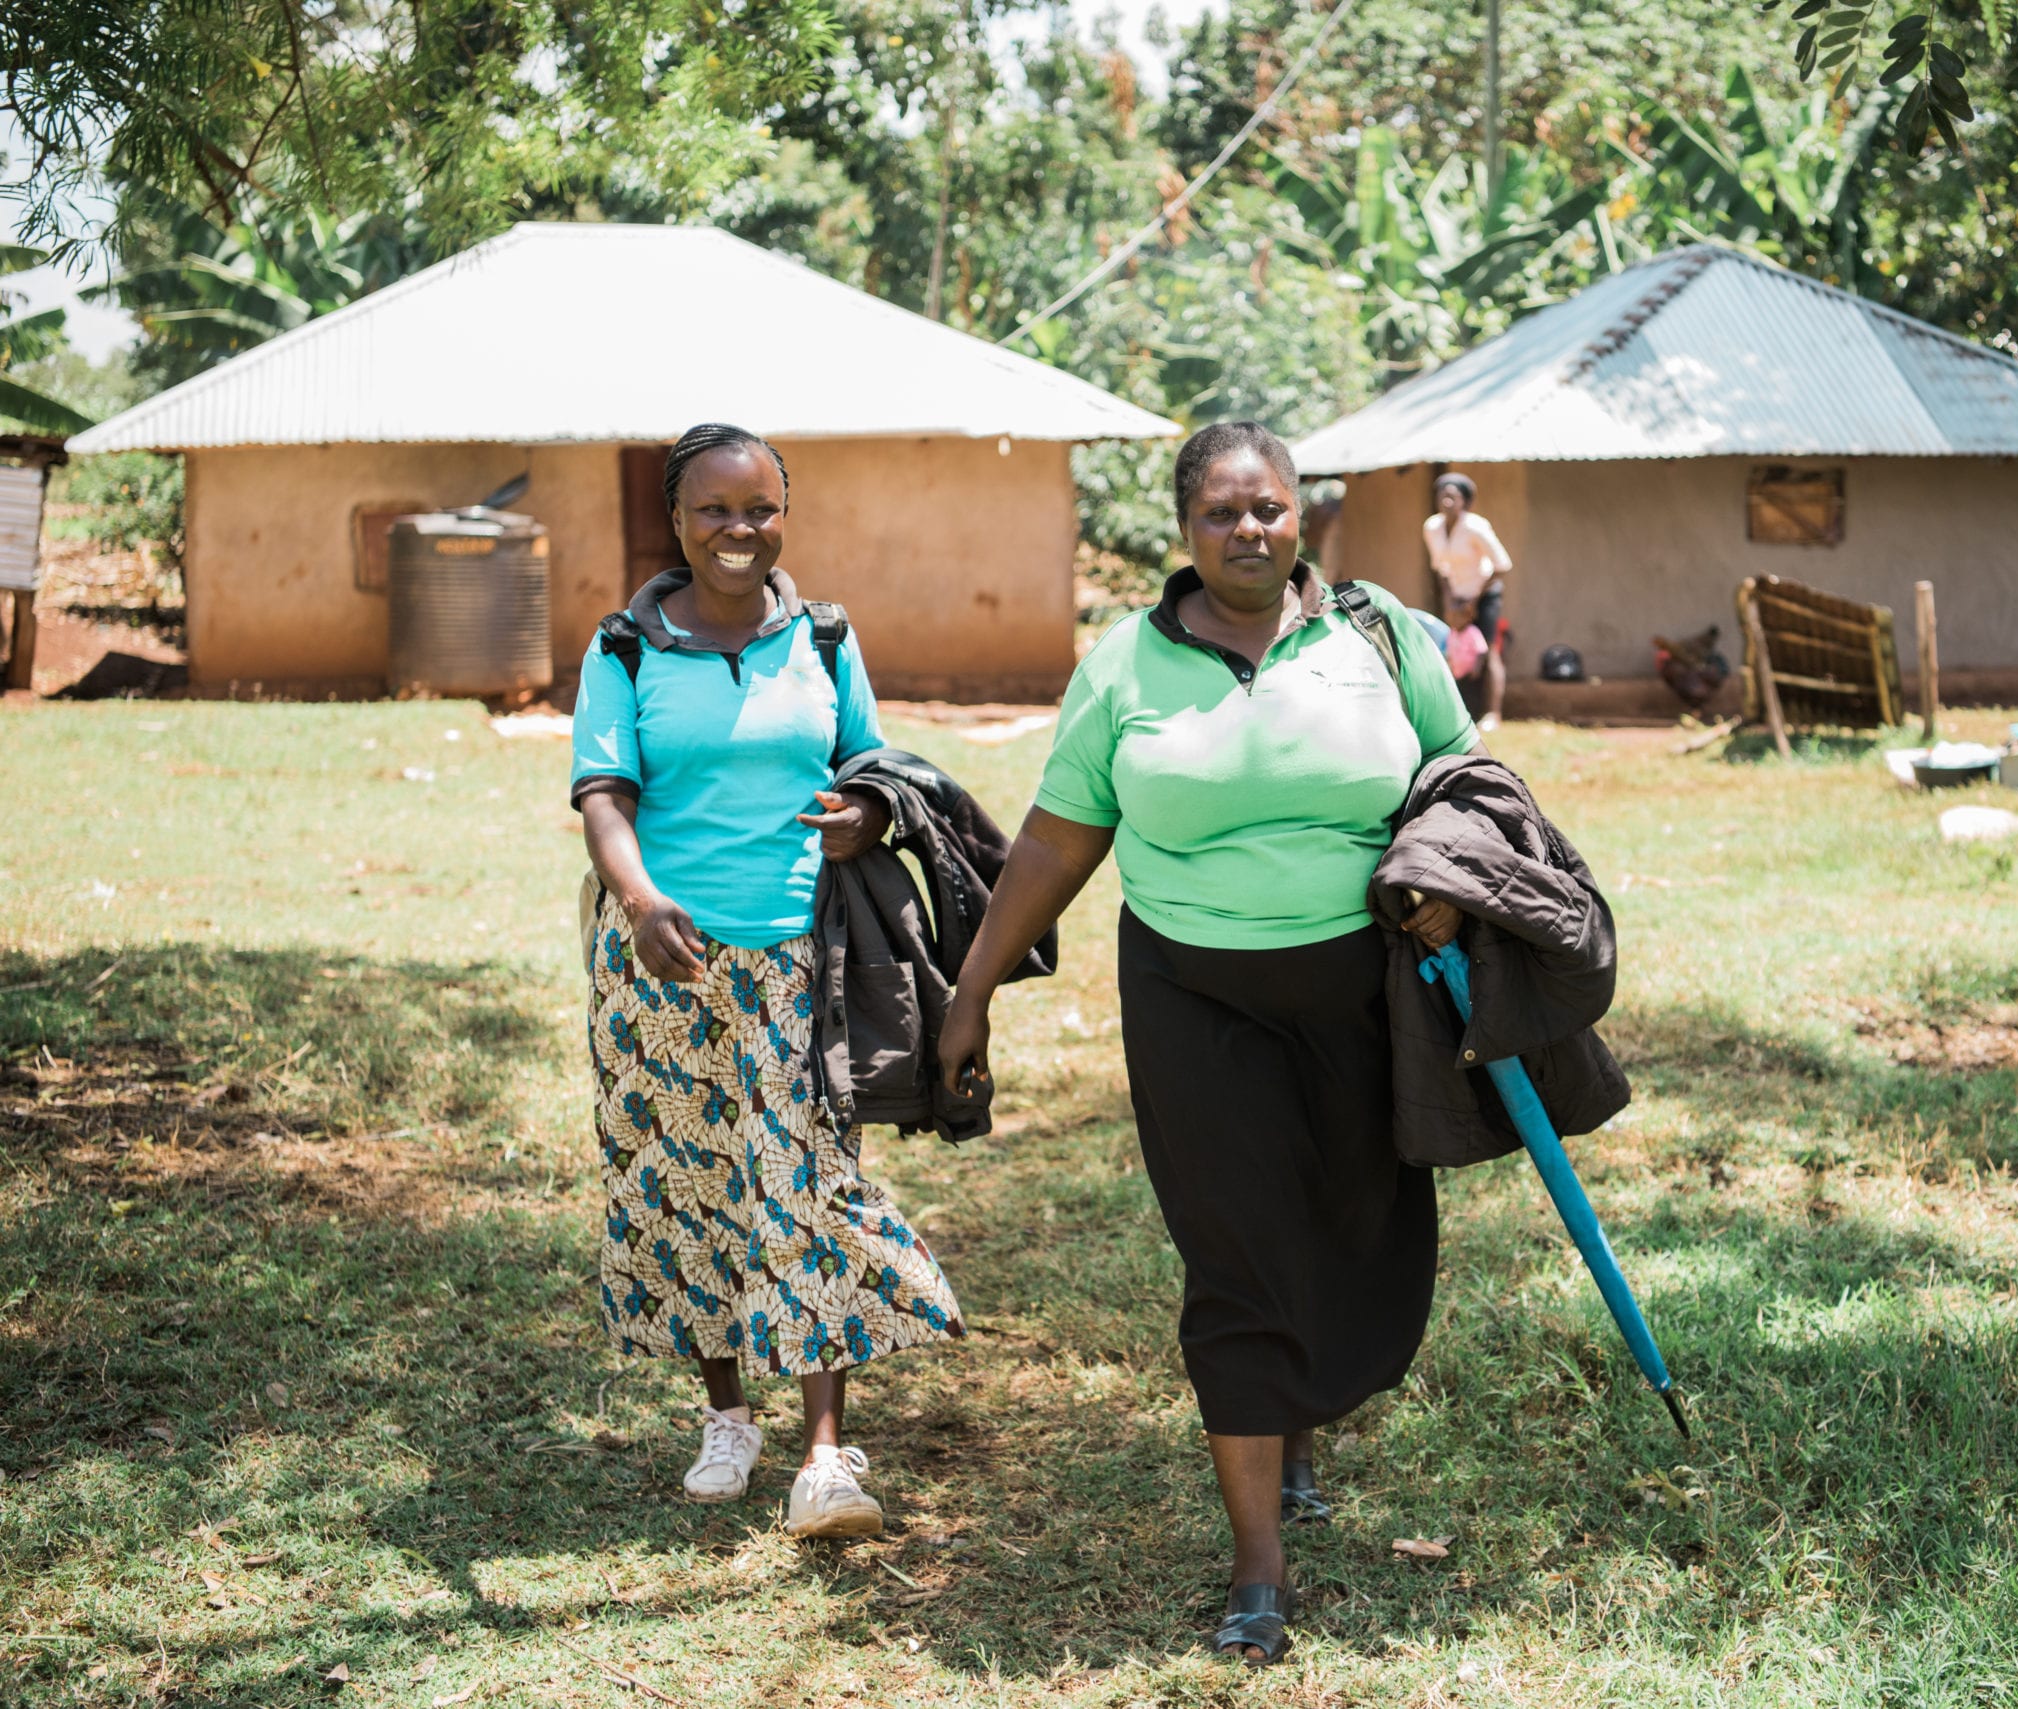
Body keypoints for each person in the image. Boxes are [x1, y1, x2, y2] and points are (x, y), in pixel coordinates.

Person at [938, 422, 1480, 1665]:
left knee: (1354, 1230)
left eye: (1270, 509)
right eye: (1223, 512)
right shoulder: (1126, 662)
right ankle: (1256, 1567)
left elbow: (1462, 773)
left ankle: (1298, 1431)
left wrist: (1453, 875)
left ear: (1304, 519)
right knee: (1234, 1256)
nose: (1249, 530)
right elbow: (1056, 837)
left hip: (1365, 993)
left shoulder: (1381, 638)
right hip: (1194, 994)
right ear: (1183, 530)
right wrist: (973, 990)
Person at [570, 422, 964, 1539]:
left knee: (806, 1179)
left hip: (805, 958)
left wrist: (864, 816)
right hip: (665, 961)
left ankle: (825, 1454)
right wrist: (641, 901)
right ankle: (727, 1414)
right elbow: (605, 792)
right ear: (675, 521)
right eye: (713, 510)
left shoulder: (825, 637)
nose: (737, 530)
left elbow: (875, 771)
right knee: (685, 1182)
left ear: (783, 514)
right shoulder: (625, 648)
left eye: (759, 509)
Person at [1422, 472, 1514, 729]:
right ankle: (1461, 712)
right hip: (1456, 596)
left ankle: (1492, 713)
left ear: (1464, 501)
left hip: (1484, 594)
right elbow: (1441, 569)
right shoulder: (1432, 527)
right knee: (1456, 650)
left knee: (1487, 650)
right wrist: (1451, 605)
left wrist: (1472, 603)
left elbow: (1502, 564)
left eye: (1453, 497)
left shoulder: (1475, 526)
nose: (1446, 501)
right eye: (1442, 495)